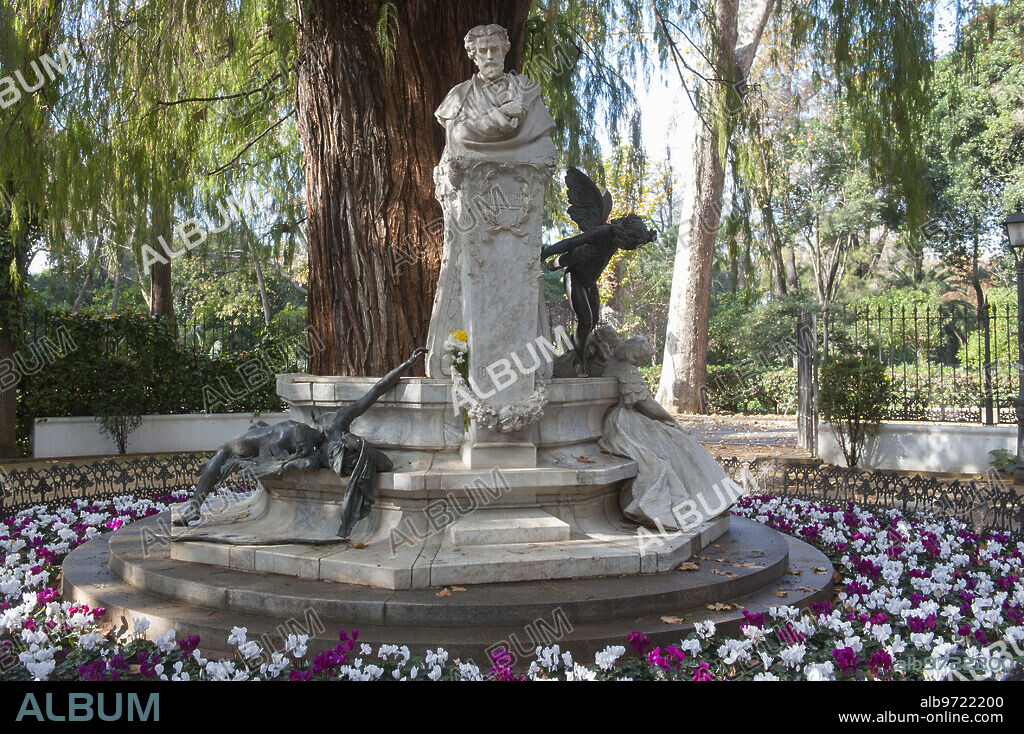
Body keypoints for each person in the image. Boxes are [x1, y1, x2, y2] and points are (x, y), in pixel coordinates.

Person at [173, 348, 426, 539]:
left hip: (277, 444)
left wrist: (292, 461)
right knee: (250, 432)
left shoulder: (324, 452)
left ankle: (196, 504)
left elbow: (379, 457)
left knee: (228, 449)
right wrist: (407, 364)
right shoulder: (336, 424)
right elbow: (375, 391)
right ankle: (206, 481)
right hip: (277, 437)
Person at [592, 329, 743, 531]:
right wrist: (671, 420)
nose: (642, 363)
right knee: (680, 444)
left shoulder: (611, 365)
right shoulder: (626, 370)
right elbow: (646, 404)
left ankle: (716, 497)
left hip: (619, 421)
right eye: (642, 359)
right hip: (624, 424)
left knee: (678, 444)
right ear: (634, 355)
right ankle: (712, 498)